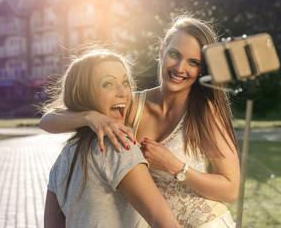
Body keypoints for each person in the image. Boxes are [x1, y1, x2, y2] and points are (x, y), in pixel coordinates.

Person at [40, 15, 240, 227]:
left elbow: (231, 190)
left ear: (201, 69)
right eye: (174, 54)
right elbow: (47, 121)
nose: (180, 68)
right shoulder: (131, 104)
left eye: (193, 62)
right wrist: (90, 117)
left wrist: (175, 166)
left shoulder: (205, 111)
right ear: (162, 51)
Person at [42, 48, 179, 228]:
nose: (123, 92)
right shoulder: (119, 147)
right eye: (108, 84)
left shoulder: (64, 158)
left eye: (125, 82)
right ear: (84, 93)